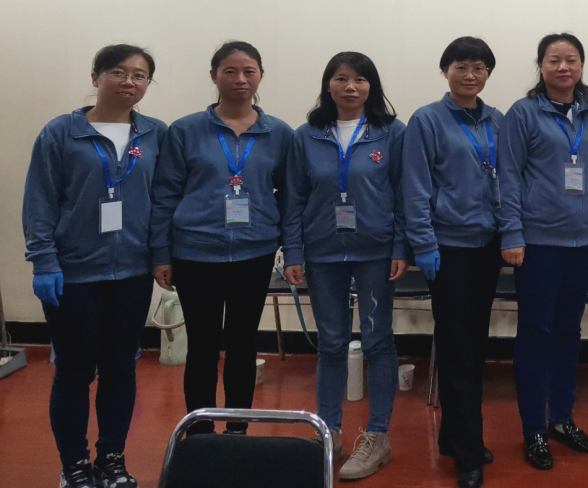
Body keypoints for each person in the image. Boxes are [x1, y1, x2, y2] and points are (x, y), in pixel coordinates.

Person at [23, 44, 167, 488]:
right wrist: (44, 260)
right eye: (118, 72)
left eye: (140, 75)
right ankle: (73, 466)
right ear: (96, 76)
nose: (129, 82)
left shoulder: (155, 134)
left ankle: (111, 459)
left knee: (121, 369)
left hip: (132, 274)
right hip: (73, 274)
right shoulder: (62, 132)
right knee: (74, 372)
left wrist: (161, 255)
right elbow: (40, 200)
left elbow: (163, 201)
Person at [150, 41, 293, 434]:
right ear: (214, 76)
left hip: (255, 253)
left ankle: (237, 433)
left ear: (261, 75)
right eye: (230, 71)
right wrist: (161, 253)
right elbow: (165, 195)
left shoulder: (279, 133)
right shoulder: (185, 130)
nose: (240, 79)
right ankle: (199, 436)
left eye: (249, 71)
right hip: (196, 254)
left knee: (243, 345)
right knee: (202, 347)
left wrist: (291, 247)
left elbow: (292, 196)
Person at [283, 52, 405, 481]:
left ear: (371, 86)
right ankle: (328, 432)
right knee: (332, 344)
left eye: (359, 79)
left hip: (376, 251)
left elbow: (404, 194)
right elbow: (293, 198)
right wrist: (293, 252)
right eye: (340, 78)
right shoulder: (306, 136)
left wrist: (401, 246)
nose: (350, 87)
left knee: (377, 341)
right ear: (328, 85)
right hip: (322, 252)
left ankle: (378, 436)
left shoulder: (392, 133)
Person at [497, 33, 588, 472]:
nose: (563, 67)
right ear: (540, 66)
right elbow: (508, 175)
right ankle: (534, 429)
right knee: (536, 332)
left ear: (582, 65)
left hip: (585, 241)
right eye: (554, 60)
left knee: (568, 331)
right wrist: (512, 233)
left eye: (571, 59)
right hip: (539, 241)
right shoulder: (523, 113)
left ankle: (562, 418)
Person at [404, 37, 505, 488]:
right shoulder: (426, 120)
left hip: (487, 245)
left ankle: (453, 436)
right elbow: (415, 187)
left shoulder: (497, 120)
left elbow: (507, 177)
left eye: (479, 67)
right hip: (446, 248)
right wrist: (424, 245)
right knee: (459, 348)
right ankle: (468, 451)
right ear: (445, 71)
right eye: (461, 66)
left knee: (471, 344)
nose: (470, 75)